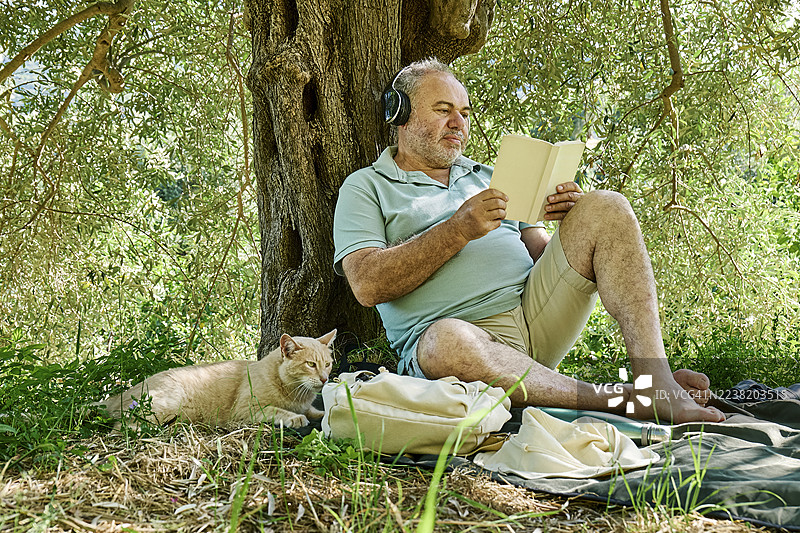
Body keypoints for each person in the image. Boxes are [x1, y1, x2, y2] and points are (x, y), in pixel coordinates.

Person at [333, 58, 724, 424]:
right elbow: (367, 285)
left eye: (465, 114)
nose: (458, 123)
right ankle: (622, 397)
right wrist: (457, 230)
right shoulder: (366, 186)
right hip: (460, 342)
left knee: (605, 205)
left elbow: (540, 253)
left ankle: (654, 378)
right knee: (444, 342)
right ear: (399, 114)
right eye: (442, 110)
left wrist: (571, 222)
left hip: (535, 317)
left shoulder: (491, 176)